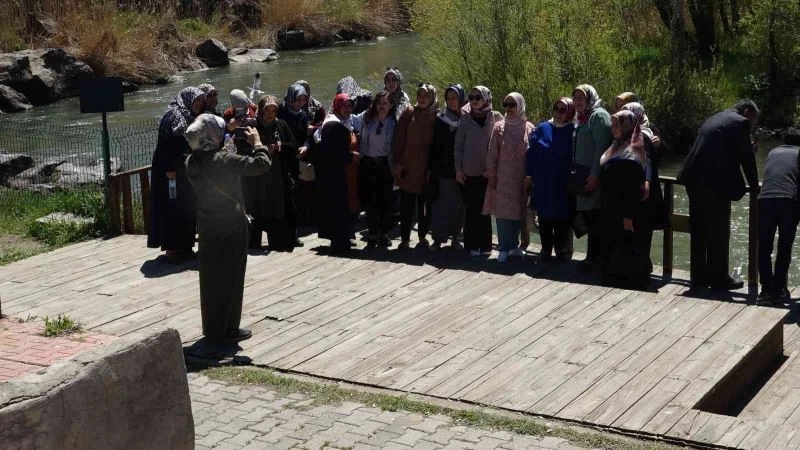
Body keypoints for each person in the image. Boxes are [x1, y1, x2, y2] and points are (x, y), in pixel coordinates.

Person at [184, 113, 273, 342]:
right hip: (231, 225)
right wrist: (258, 143)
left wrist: (227, 142)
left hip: (207, 226)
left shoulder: (191, 162)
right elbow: (262, 164)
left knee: (211, 278)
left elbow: (214, 159)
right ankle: (229, 328)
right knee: (232, 276)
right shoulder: (223, 161)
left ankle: (213, 328)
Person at [677, 99, 760, 290]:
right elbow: (746, 158)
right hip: (713, 182)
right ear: (747, 112)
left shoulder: (717, 117)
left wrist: (746, 147)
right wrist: (755, 185)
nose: (754, 124)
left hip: (692, 177)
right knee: (719, 230)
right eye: (755, 119)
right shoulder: (741, 122)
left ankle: (698, 277)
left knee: (699, 230)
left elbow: (722, 148)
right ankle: (719, 278)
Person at [147, 86, 205, 261]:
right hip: (170, 172)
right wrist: (170, 169)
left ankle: (185, 246)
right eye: (196, 100)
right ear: (188, 99)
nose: (199, 103)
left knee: (186, 206)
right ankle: (172, 248)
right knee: (172, 208)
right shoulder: (174, 115)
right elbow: (167, 145)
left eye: (201, 101)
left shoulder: (189, 116)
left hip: (183, 170)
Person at [598, 110, 652, 287]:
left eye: (618, 124)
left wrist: (628, 216)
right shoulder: (617, 145)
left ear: (627, 126)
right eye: (613, 124)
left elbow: (631, 187)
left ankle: (629, 279)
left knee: (626, 243)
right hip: (611, 206)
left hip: (623, 210)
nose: (613, 128)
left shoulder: (632, 151)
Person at [483, 92, 534, 263]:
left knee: (518, 213)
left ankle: (513, 246)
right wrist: (491, 173)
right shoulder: (499, 127)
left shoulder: (529, 128)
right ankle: (503, 248)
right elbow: (492, 153)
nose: (509, 108)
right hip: (503, 177)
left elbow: (533, 155)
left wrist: (530, 176)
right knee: (503, 214)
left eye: (512, 104)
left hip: (521, 179)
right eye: (506, 104)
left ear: (520, 106)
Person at [455, 86, 503, 256]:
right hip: (469, 171)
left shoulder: (495, 117)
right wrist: (458, 170)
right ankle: (471, 245)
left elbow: (502, 143)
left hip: (488, 171)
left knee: (486, 209)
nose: (474, 100)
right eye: (472, 97)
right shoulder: (465, 118)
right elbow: (458, 147)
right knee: (472, 209)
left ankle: (486, 246)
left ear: (486, 98)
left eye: (478, 97)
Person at [310, 94, 360, 254]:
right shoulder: (333, 125)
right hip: (334, 174)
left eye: (350, 106)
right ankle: (339, 244)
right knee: (338, 207)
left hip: (339, 172)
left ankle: (342, 240)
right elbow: (332, 152)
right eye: (344, 106)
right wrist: (351, 157)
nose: (348, 109)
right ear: (338, 106)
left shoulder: (342, 123)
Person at [527, 97, 575, 262]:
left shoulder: (572, 130)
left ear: (569, 112)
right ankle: (546, 250)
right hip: (543, 181)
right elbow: (532, 153)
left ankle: (560, 250)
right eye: (556, 109)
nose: (558, 113)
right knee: (545, 216)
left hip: (563, 181)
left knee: (562, 217)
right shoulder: (542, 128)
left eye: (563, 110)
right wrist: (529, 175)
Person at [251, 95, 300, 251]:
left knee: (280, 208)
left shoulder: (281, 124)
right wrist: (263, 149)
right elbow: (243, 148)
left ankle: (283, 240)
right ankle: (254, 242)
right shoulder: (253, 126)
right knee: (258, 209)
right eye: (267, 110)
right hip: (258, 178)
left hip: (278, 175)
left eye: (273, 111)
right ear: (261, 110)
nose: (270, 114)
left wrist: (281, 146)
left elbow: (294, 145)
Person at [393, 83, 438, 250]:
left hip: (426, 169)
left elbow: (438, 146)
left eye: (426, 96)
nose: (422, 99)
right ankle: (405, 239)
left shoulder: (437, 116)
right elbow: (398, 139)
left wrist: (433, 169)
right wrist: (398, 162)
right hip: (408, 168)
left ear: (432, 97)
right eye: (419, 95)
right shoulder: (409, 112)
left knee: (424, 207)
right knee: (407, 206)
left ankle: (422, 236)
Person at [757, 128, 800, 303]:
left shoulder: (773, 152)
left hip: (765, 198)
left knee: (764, 247)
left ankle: (766, 290)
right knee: (784, 247)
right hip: (788, 201)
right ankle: (779, 289)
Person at [572, 84, 612, 268]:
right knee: (588, 216)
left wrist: (595, 174)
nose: (577, 102)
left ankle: (595, 259)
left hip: (593, 175)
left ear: (590, 99)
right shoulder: (582, 117)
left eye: (581, 98)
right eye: (575, 98)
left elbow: (601, 147)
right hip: (582, 174)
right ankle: (592, 257)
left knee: (594, 216)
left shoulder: (599, 116)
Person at [621, 101, 668, 257]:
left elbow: (649, 161)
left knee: (641, 236)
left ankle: (642, 267)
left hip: (643, 194)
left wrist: (659, 145)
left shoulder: (645, 135)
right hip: (631, 194)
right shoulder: (624, 135)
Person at [429, 84, 467, 251]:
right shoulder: (440, 118)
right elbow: (434, 145)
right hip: (443, 169)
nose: (452, 101)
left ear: (461, 99)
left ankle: (456, 238)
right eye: (449, 98)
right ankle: (437, 239)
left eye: (455, 98)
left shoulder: (467, 119)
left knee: (459, 206)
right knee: (441, 206)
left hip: (461, 170)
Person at [355, 91, 396, 248]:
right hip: (368, 163)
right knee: (370, 201)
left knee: (386, 201)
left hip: (386, 164)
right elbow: (351, 119)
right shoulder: (367, 117)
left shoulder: (395, 122)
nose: (381, 106)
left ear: (391, 105)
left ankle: (384, 234)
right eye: (379, 103)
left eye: (385, 103)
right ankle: (372, 234)